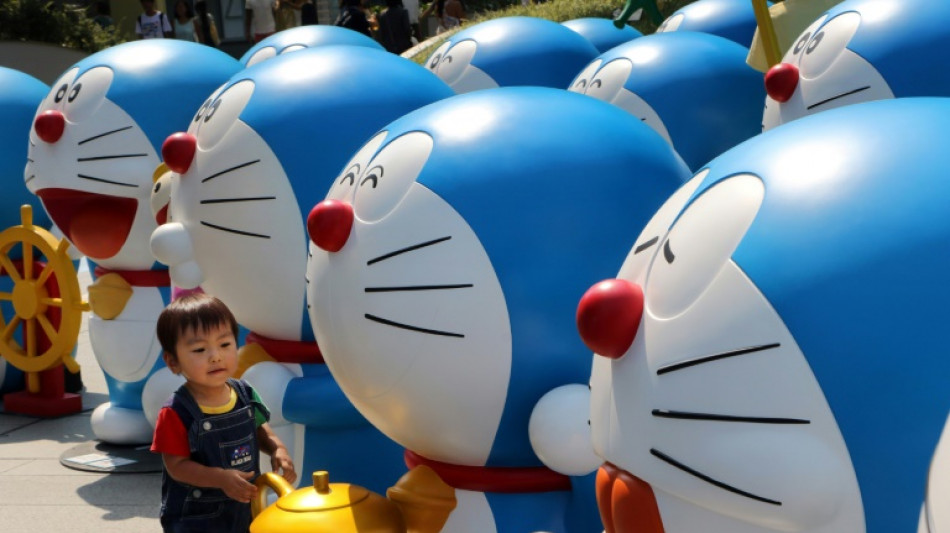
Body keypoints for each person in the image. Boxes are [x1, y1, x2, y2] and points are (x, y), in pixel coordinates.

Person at [151, 293, 296, 533]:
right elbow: (176, 466)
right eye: (199, 349)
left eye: (225, 344)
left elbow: (259, 428)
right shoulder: (175, 412)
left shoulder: (244, 393)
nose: (216, 356)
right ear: (173, 362)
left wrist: (277, 448)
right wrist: (220, 478)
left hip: (245, 508)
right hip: (196, 519)